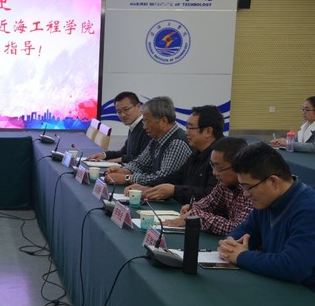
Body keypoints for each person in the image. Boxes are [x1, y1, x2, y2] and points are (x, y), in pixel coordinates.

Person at [218, 142, 315, 290]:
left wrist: (241, 256)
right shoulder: (267, 201)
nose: (245, 194)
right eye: (242, 187)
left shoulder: (309, 208)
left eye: (248, 187)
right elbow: (245, 231)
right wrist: (229, 244)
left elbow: (293, 266)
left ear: (273, 181)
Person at [127, 105, 223, 202]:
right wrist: (148, 186)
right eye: (187, 127)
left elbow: (210, 195)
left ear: (208, 131)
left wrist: (174, 190)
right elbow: (176, 177)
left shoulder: (221, 157)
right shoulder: (197, 153)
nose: (186, 133)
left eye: (190, 128)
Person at [163, 137, 253, 235]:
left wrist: (197, 216)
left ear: (238, 166)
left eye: (219, 168)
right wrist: (192, 208)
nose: (214, 173)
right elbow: (209, 203)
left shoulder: (252, 189)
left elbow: (237, 228)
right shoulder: (224, 184)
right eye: (213, 166)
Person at [104, 96, 192, 186]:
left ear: (163, 121)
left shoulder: (177, 143)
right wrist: (125, 171)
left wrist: (127, 178)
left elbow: (162, 179)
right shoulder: (157, 138)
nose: (144, 127)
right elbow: (140, 163)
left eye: (147, 122)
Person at [88, 91, 150, 163]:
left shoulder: (147, 128)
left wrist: (119, 160)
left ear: (138, 106)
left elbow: (143, 159)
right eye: (119, 112)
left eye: (126, 109)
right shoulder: (134, 126)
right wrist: (104, 155)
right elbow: (124, 152)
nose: (123, 115)